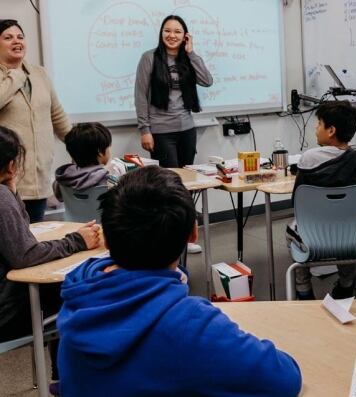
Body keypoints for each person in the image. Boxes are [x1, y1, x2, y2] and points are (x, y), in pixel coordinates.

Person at [57, 166, 302, 397]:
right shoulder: (190, 324)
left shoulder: (78, 295)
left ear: (106, 241)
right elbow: (284, 378)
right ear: (193, 234)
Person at [0, 126, 101, 393]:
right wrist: (77, 241)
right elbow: (25, 254)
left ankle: (63, 376)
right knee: (74, 291)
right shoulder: (1, 198)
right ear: (11, 165)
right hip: (4, 311)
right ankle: (63, 379)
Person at [287, 100, 356, 300]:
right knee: (347, 223)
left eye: (319, 124)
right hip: (355, 238)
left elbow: (298, 202)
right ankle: (346, 284)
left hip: (313, 237)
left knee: (293, 229)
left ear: (331, 130)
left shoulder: (308, 159)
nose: (315, 128)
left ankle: (304, 291)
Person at [0, 19, 71, 221]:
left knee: (34, 239)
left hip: (38, 179)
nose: (16, 41)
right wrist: (15, 75)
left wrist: (79, 147)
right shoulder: (14, 75)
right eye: (8, 37)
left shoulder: (39, 73)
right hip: (6, 180)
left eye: (20, 37)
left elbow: (57, 115)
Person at [134, 15, 213, 168]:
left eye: (177, 31)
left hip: (187, 130)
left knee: (187, 183)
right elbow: (140, 96)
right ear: (161, 33)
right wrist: (145, 130)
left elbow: (207, 81)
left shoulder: (188, 58)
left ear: (185, 36)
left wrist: (191, 53)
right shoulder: (149, 58)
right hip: (161, 132)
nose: (171, 35)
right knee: (169, 185)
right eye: (167, 31)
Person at [53, 122, 112, 202]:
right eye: (109, 147)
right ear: (100, 152)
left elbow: (59, 197)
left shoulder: (63, 177)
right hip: (102, 214)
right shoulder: (107, 178)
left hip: (74, 214)